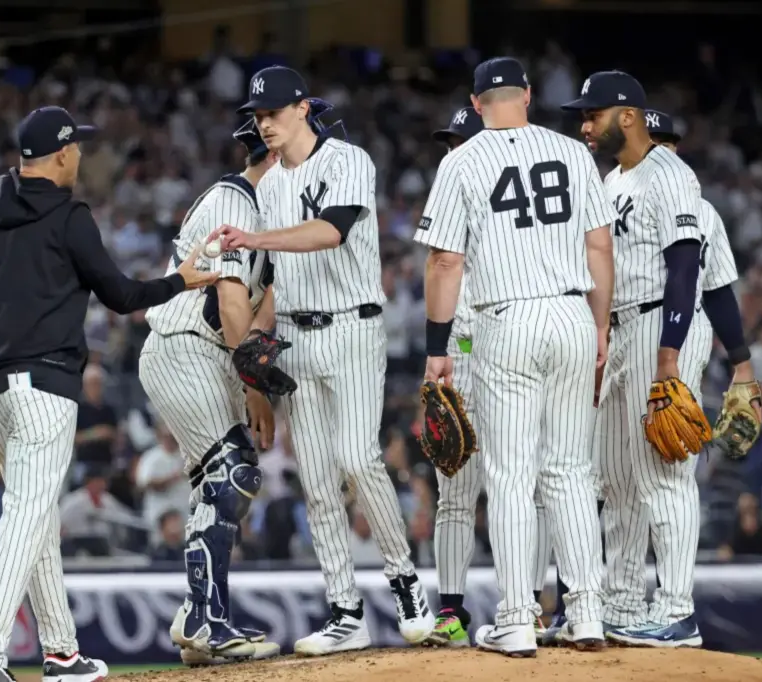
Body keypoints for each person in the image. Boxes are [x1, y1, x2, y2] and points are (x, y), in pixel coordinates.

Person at [0, 105, 218, 682]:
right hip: (43, 388)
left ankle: (62, 653)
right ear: (61, 153)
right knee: (27, 515)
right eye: (77, 146)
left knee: (36, 520)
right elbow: (119, 295)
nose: (81, 154)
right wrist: (180, 281)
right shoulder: (69, 215)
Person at [211, 65, 435, 655]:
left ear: (303, 109)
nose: (264, 123)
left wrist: (253, 239)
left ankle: (405, 583)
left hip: (354, 328)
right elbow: (280, 281)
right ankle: (344, 609)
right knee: (315, 479)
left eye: (274, 113)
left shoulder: (349, 160)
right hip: (296, 337)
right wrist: (253, 343)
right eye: (257, 116)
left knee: (359, 459)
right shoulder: (268, 186)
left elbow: (330, 231)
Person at [416, 57, 614, 656]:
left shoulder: (462, 160)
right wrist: (600, 327)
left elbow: (445, 262)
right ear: (527, 94)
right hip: (572, 312)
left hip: (509, 317)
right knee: (571, 472)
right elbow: (600, 246)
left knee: (509, 475)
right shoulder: (574, 153)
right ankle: (585, 615)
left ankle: (517, 617)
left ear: (476, 104)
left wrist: (435, 349)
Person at [560, 72, 709, 648]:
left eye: (592, 114)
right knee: (617, 479)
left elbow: (684, 265)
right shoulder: (614, 179)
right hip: (620, 327)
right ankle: (622, 602)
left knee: (662, 475)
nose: (584, 125)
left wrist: (669, 354)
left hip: (658, 325)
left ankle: (677, 610)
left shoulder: (670, 174)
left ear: (627, 116)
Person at [138, 119, 281, 666]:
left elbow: (258, 305)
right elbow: (229, 304)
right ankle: (205, 618)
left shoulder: (262, 214)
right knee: (232, 472)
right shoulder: (235, 200)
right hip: (185, 345)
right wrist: (257, 389)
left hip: (206, 356)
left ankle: (197, 614)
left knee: (218, 485)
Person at [424, 106, 554, 647]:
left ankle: (531, 606)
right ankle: (451, 611)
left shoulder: (518, 223)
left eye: (462, 142)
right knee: (455, 495)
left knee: (528, 490)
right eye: (448, 143)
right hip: (461, 357)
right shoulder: (450, 215)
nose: (452, 152)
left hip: (513, 356)